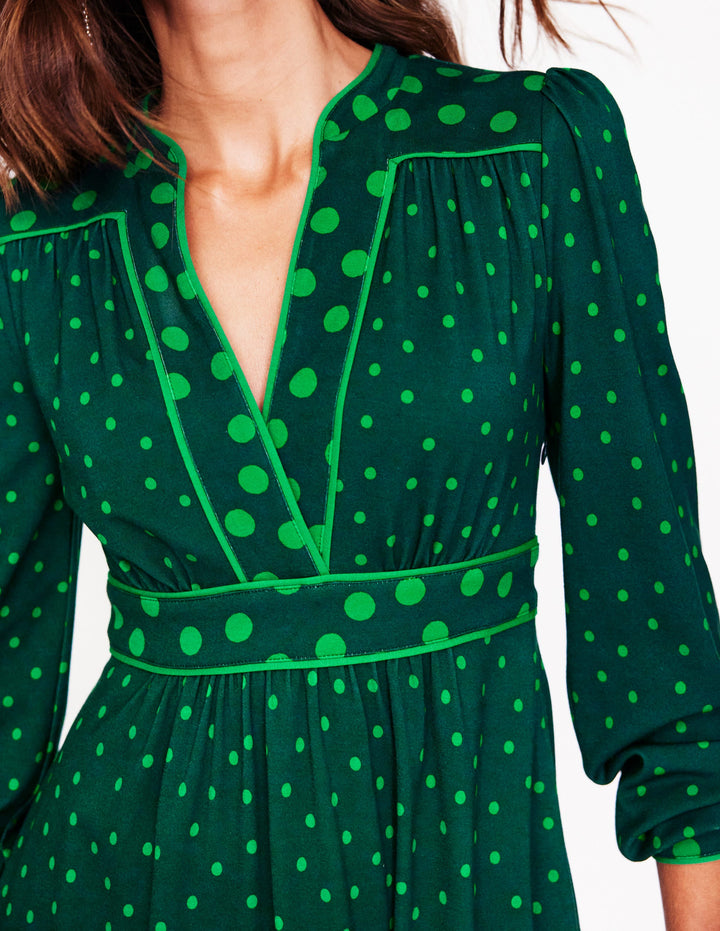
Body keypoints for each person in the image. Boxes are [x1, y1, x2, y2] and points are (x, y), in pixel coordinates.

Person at [1, 0, 719, 927]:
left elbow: (659, 633)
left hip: (462, 879)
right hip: (123, 888)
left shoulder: (527, 153)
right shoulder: (41, 246)